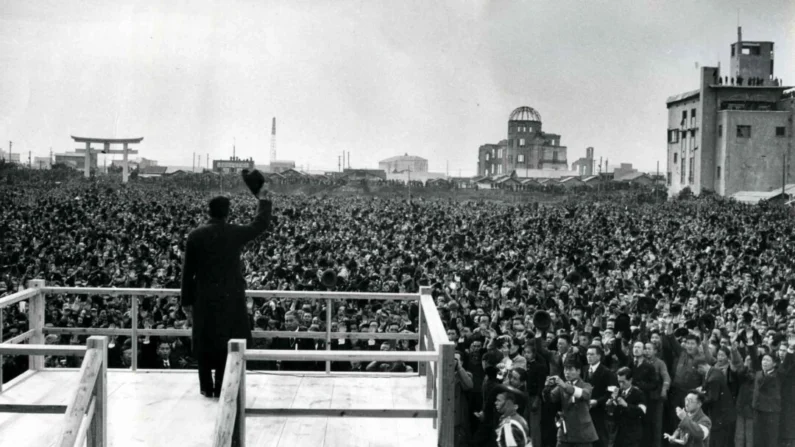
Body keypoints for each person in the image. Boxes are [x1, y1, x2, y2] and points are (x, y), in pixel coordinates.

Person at [180, 188, 272, 397]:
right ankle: (223, 382)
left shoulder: (195, 235)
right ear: (227, 212)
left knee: (205, 339)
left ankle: (205, 386)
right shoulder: (234, 232)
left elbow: (188, 272)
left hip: (203, 296)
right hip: (230, 296)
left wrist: (186, 300)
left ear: (209, 211)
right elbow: (260, 224)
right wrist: (264, 201)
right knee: (226, 338)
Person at [543, 358, 598, 447]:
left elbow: (585, 394)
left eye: (570, 369)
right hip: (565, 432)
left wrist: (565, 386)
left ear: (578, 371)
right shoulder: (562, 385)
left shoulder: (586, 385)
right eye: (565, 369)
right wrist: (547, 387)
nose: (567, 372)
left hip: (582, 433)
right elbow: (550, 399)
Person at [694, 357, 734, 447]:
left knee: (719, 441)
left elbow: (712, 398)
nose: (698, 372)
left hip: (720, 416)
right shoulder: (715, 371)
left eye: (697, 370)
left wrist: (700, 395)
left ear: (700, 367)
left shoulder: (713, 378)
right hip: (724, 415)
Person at [609, 367, 646, 447]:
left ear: (630, 380)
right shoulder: (617, 391)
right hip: (617, 434)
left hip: (632, 434)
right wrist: (610, 404)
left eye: (623, 382)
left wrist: (626, 405)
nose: (621, 384)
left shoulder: (639, 393)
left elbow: (642, 412)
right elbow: (612, 413)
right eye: (619, 382)